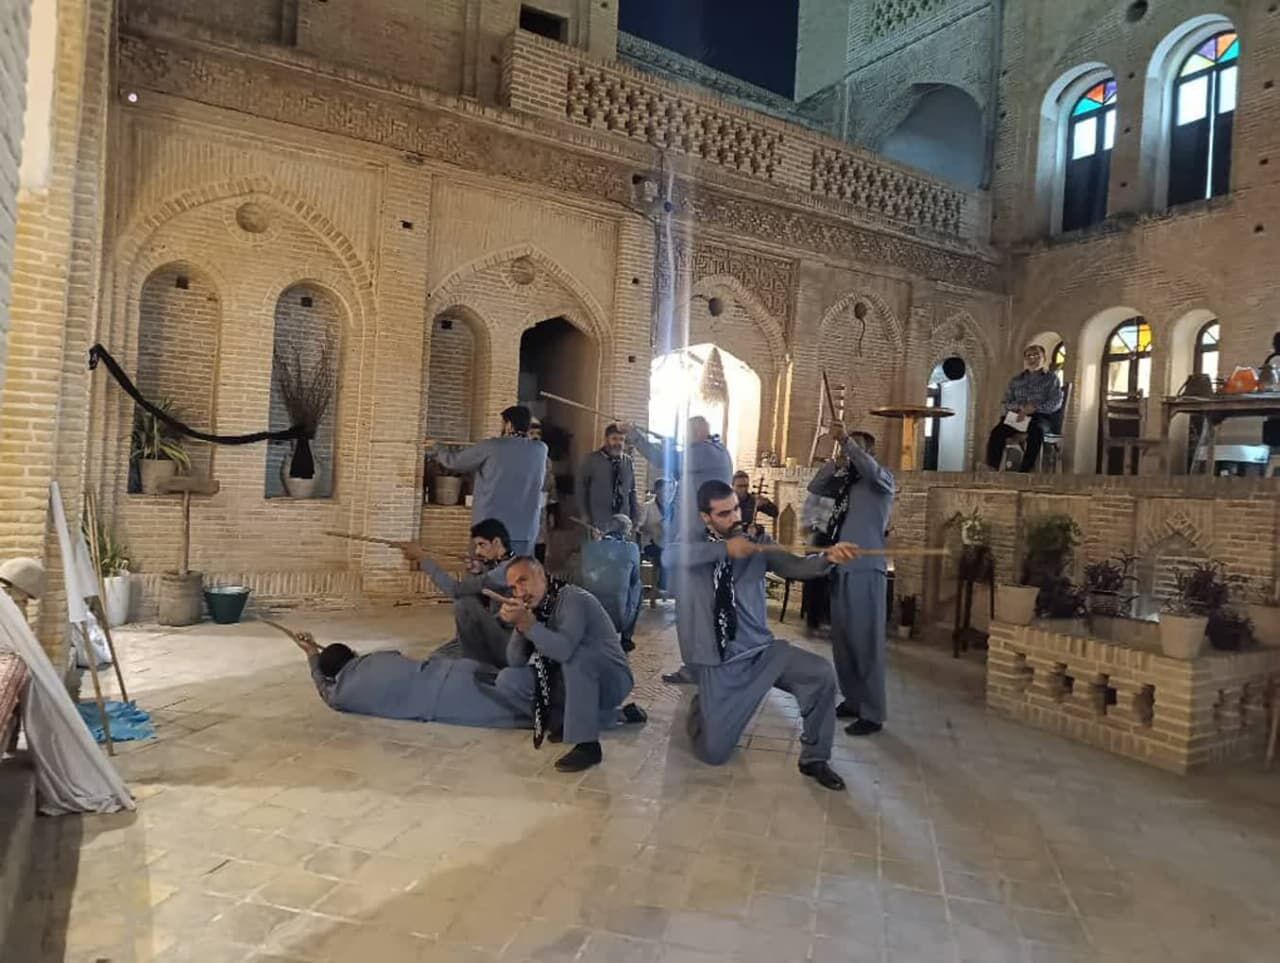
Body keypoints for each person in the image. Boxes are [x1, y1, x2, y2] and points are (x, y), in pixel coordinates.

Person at [671, 480, 857, 789]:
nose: (734, 518)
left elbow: (796, 566)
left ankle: (815, 758)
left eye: (736, 509)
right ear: (706, 517)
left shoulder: (757, 540)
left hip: (761, 651)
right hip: (720, 659)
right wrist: (724, 549)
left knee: (820, 674)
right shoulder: (692, 543)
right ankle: (703, 707)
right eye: (724, 514)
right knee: (713, 753)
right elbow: (671, 556)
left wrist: (828, 559)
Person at [491, 557, 643, 773]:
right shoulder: (536, 609)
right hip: (570, 680)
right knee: (507, 680)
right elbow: (515, 661)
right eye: (513, 587)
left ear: (541, 575)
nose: (519, 591)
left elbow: (564, 650)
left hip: (611, 678)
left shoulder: (573, 598)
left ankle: (587, 744)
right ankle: (607, 717)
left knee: (576, 656)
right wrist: (519, 625)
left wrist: (528, 624)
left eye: (523, 580)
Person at [623, 415, 734, 684]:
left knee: (693, 611)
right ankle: (702, 665)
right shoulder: (716, 452)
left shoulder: (705, 452)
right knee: (697, 609)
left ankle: (698, 667)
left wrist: (635, 435)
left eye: (687, 434)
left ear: (696, 433)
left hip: (697, 546)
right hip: (699, 543)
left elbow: (666, 459)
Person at [813, 423, 894, 736]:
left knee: (865, 642)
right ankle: (853, 700)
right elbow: (816, 487)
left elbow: (868, 468)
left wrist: (846, 441)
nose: (849, 452)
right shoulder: (844, 484)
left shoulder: (881, 480)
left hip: (866, 570)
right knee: (844, 641)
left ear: (868, 452)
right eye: (846, 447)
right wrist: (835, 462)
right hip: (840, 568)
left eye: (855, 448)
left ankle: (873, 712)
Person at [291, 628, 531, 729]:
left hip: (446, 701)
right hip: (454, 671)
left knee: (525, 712)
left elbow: (323, 687)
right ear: (352, 654)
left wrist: (311, 654)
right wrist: (315, 649)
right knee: (517, 684)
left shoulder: (340, 696)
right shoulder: (377, 657)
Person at [426, 405, 547, 555]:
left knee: (483, 568)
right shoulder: (540, 450)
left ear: (509, 425)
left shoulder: (491, 446)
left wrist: (437, 448)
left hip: (490, 531)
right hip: (525, 533)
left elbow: (454, 462)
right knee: (518, 569)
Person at [398, 519, 514, 667]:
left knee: (465, 605)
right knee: (436, 658)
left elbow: (455, 590)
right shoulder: (503, 565)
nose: (478, 552)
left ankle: (477, 666)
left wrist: (422, 558)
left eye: (482, 545)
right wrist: (476, 572)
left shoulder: (506, 571)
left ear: (496, 542)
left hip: (507, 646)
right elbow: (483, 595)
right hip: (494, 632)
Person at [984, 344, 1064, 472]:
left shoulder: (1051, 379)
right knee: (997, 432)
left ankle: (1025, 470)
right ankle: (992, 468)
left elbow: (1056, 402)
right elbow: (1006, 402)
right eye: (1028, 356)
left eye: (1036, 355)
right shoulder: (1016, 380)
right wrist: (1021, 407)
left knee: (1036, 431)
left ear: (1044, 358)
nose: (1032, 358)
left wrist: (1035, 408)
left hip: (1040, 417)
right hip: (1018, 416)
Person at [579, 514, 643, 652]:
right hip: (620, 619)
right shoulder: (632, 548)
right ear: (627, 531)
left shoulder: (588, 547)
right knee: (639, 586)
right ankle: (626, 638)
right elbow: (635, 578)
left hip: (592, 615)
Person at [577, 424, 638, 532]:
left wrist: (635, 515)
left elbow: (632, 490)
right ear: (606, 440)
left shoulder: (627, 462)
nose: (618, 443)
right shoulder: (591, 460)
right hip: (599, 519)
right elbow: (581, 488)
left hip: (623, 520)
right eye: (614, 439)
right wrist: (584, 514)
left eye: (621, 439)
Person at [530, 419, 557, 564]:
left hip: (541, 507)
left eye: (538, 434)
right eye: (532, 433)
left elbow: (551, 485)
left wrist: (552, 512)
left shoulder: (546, 460)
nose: (535, 436)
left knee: (540, 540)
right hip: (522, 506)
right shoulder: (519, 458)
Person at [637, 479, 670, 591]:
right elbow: (639, 527)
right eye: (663, 490)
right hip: (650, 543)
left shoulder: (671, 507)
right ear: (657, 490)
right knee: (663, 555)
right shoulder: (647, 506)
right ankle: (662, 585)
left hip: (666, 542)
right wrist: (652, 528)